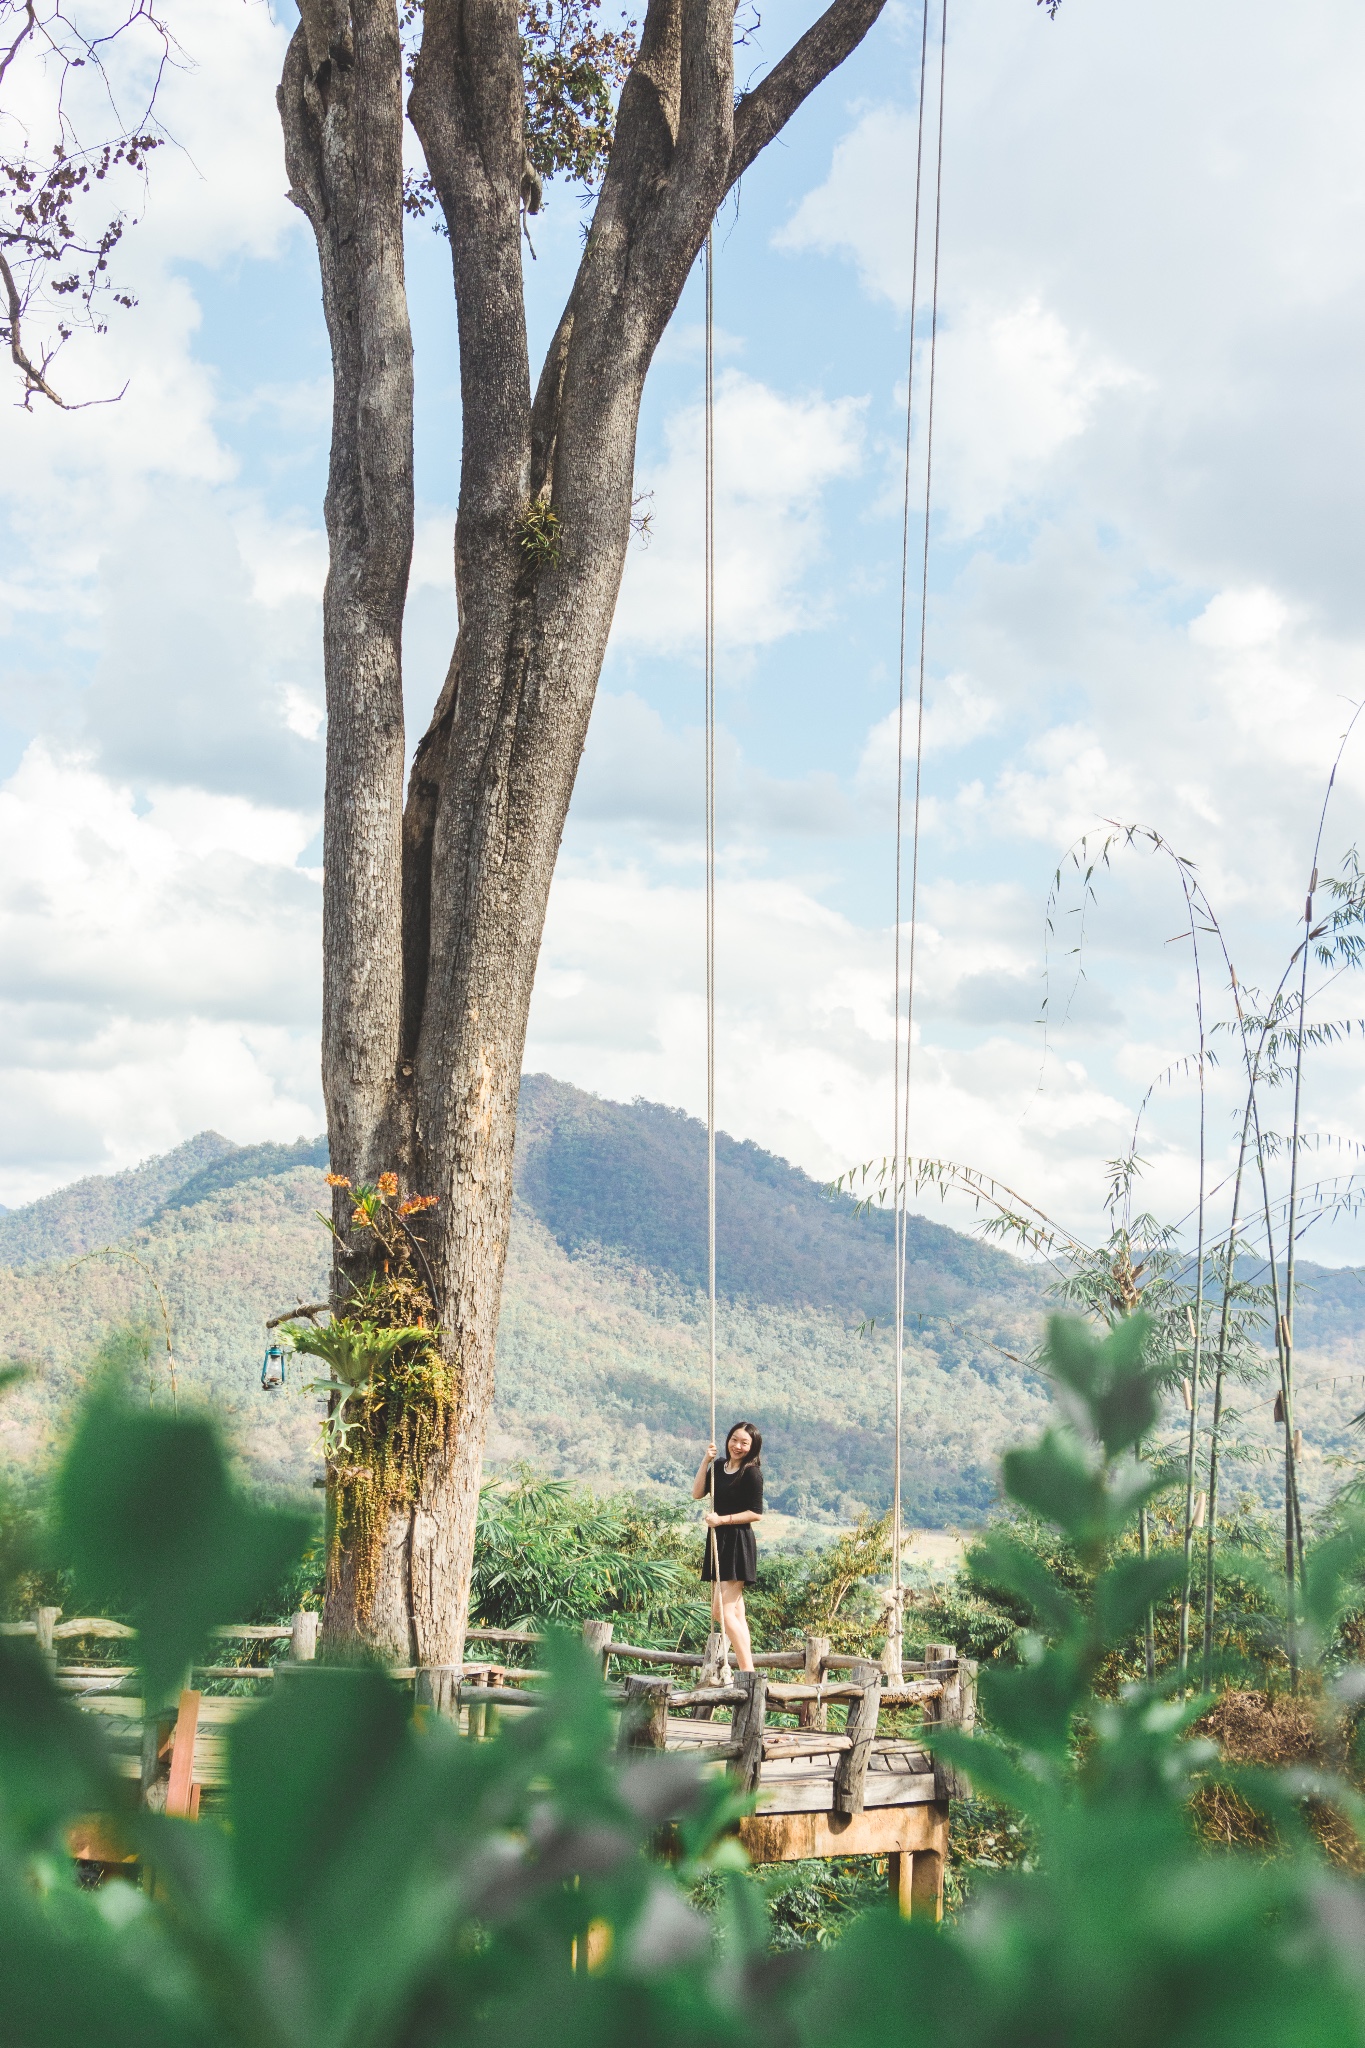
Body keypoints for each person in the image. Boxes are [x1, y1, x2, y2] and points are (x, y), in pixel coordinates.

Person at [692, 1422, 764, 1671]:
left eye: (745, 1443)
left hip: (737, 1542)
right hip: (719, 1541)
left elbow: (756, 1513)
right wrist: (706, 1460)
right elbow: (697, 1493)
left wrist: (722, 1520)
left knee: (721, 1613)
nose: (738, 1446)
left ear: (753, 1447)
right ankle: (748, 1670)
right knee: (736, 1615)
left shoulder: (751, 1472)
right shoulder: (719, 1467)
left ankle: (748, 1672)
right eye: (735, 1440)